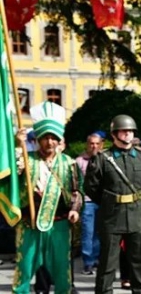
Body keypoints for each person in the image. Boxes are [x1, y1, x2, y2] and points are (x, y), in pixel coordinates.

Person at [12, 102, 83, 294]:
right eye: (45, 138)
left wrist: (75, 210)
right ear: (38, 139)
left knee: (62, 273)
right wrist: (17, 143)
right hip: (29, 224)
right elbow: (9, 173)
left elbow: (77, 191)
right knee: (24, 271)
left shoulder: (68, 163)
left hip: (59, 224)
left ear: (59, 140)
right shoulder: (26, 159)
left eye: (53, 138)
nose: (49, 142)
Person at [85, 114, 141, 294]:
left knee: (138, 262)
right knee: (107, 263)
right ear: (114, 134)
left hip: (136, 215)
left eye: (130, 131)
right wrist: (109, 201)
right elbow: (91, 187)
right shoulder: (102, 158)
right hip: (111, 216)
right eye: (123, 131)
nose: (128, 134)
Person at [77, 133, 104, 274]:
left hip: (103, 201)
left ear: (101, 145)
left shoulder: (105, 160)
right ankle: (88, 261)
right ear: (87, 145)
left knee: (99, 232)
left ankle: (97, 259)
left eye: (97, 143)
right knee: (88, 232)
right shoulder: (80, 161)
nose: (94, 146)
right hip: (87, 201)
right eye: (91, 143)